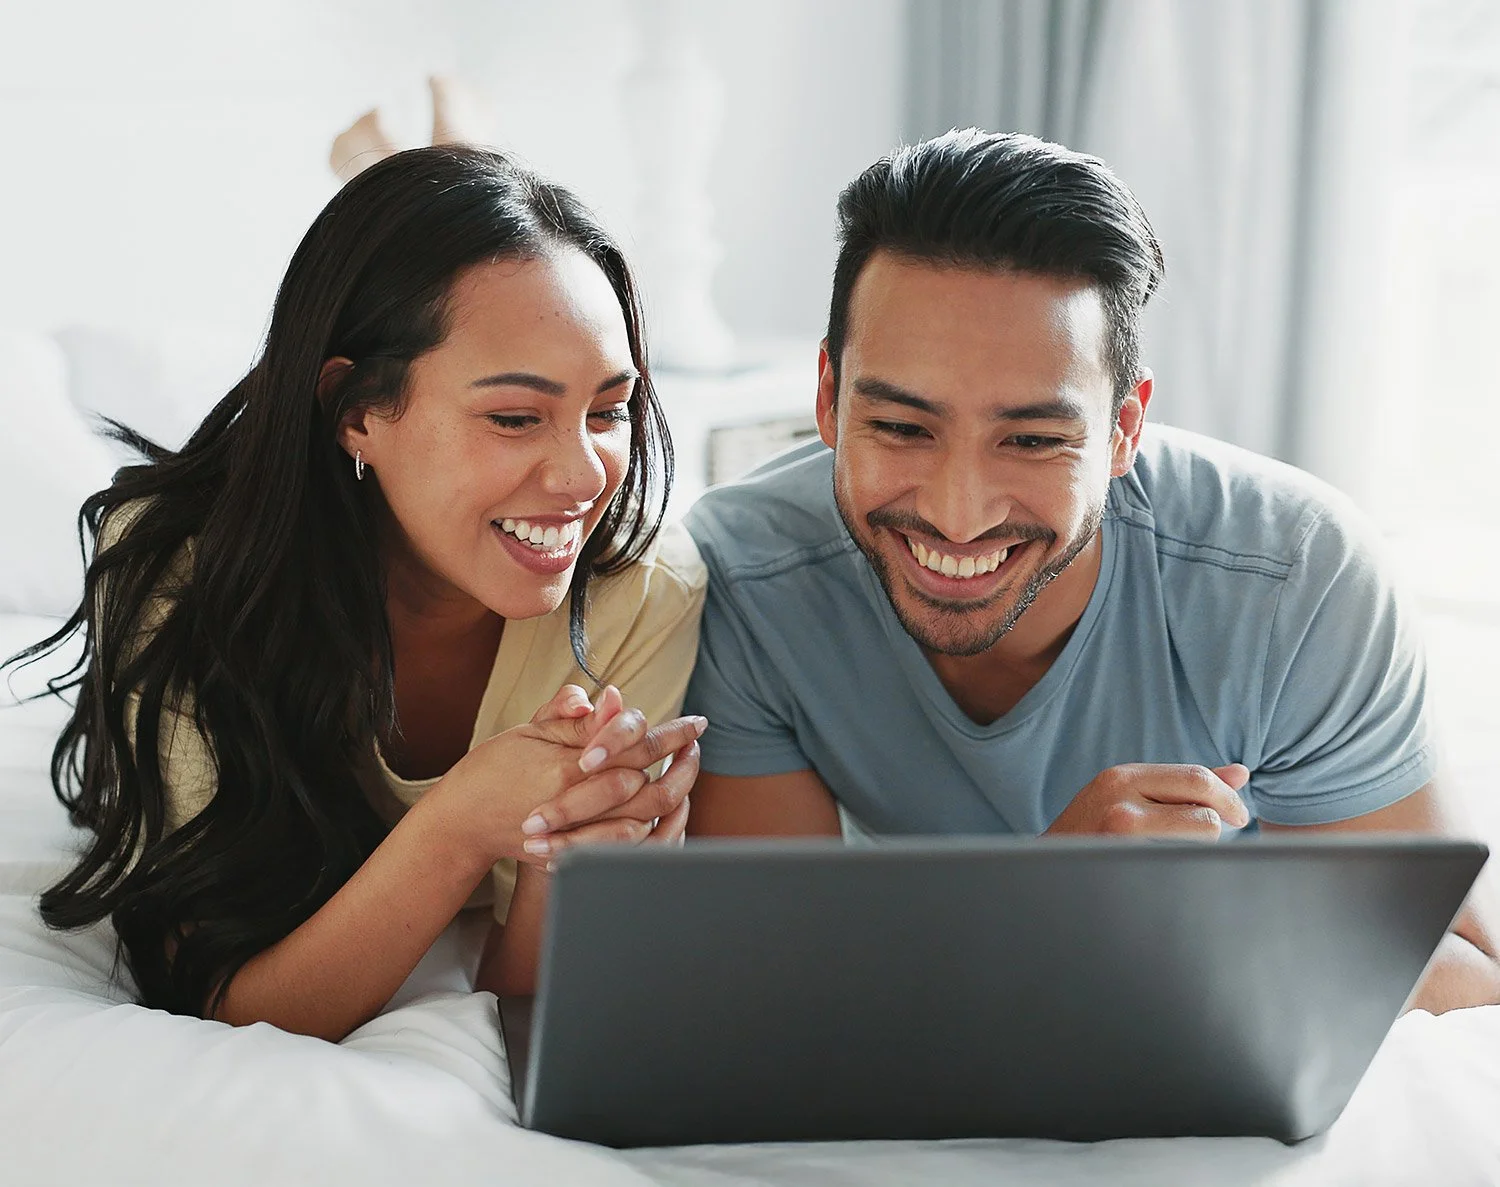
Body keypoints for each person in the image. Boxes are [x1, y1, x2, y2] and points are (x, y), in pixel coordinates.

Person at [681, 129, 1498, 1015]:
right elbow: (774, 980)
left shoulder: (1296, 580)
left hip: (1220, 998)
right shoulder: (744, 579)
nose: (959, 514)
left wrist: (1177, 926)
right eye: (903, 428)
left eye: (1033, 439)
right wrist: (1046, 907)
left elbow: (1466, 984)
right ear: (829, 399)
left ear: (1124, 428)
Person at [8, 143, 707, 1042]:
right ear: (357, 411)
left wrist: (562, 862)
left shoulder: (641, 590)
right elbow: (221, 997)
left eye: (607, 411)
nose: (583, 474)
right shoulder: (185, 576)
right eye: (513, 417)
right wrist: (460, 823)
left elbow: (526, 1012)